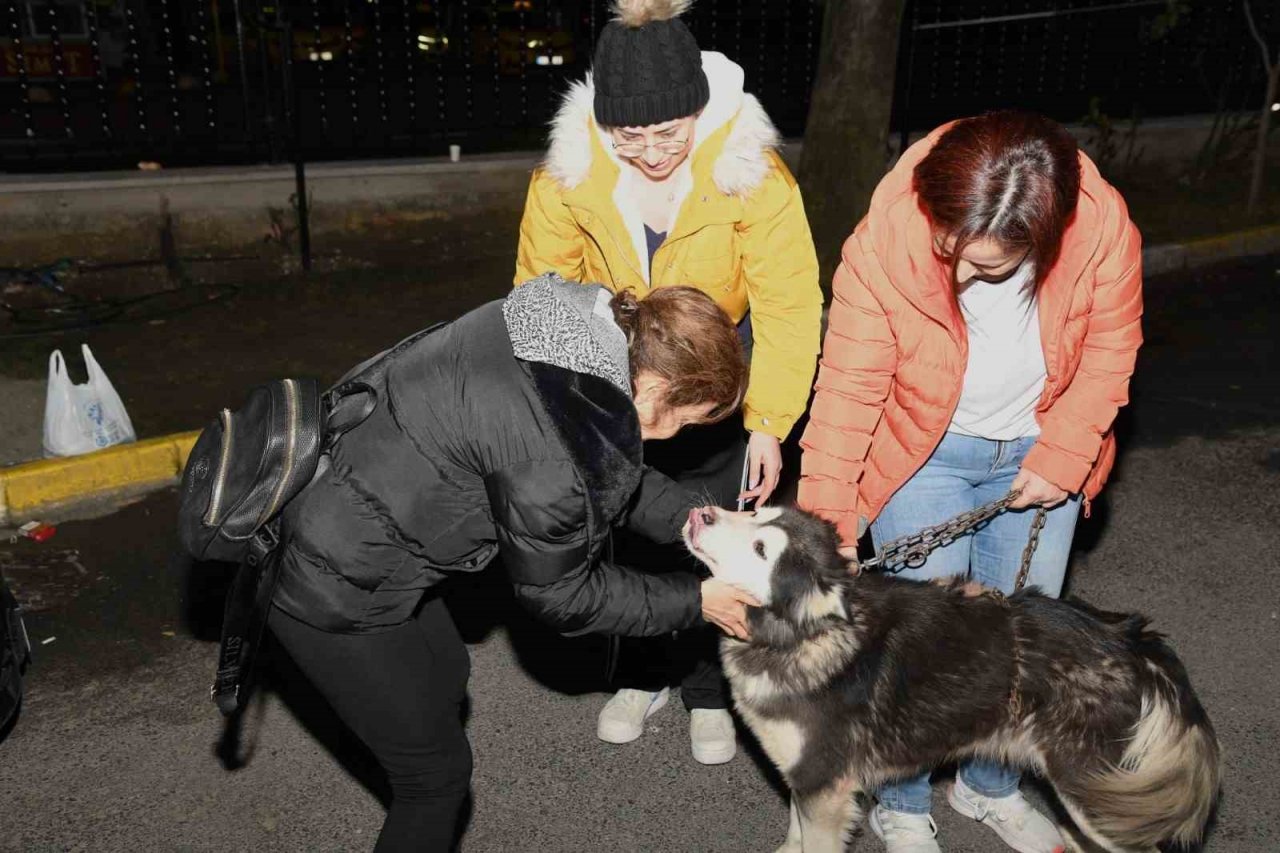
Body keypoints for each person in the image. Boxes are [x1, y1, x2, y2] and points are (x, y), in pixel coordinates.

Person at [268, 274, 758, 852]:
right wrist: (697, 600)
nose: (678, 435)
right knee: (435, 779)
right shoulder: (555, 449)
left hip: (341, 506)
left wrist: (697, 519)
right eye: (687, 418)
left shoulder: (560, 333)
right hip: (330, 580)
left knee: (444, 675)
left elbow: (608, 471)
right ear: (653, 386)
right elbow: (562, 593)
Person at [798, 111, 1143, 853]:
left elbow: (1112, 349)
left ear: (1043, 239)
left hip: (1040, 445)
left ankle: (992, 786)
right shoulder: (887, 238)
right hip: (923, 452)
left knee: (1021, 633)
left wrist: (1066, 453)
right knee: (921, 644)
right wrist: (828, 525)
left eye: (987, 268)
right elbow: (848, 389)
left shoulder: (1101, 228)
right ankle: (902, 800)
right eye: (948, 251)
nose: (956, 276)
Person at [515, 0, 821, 765]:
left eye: (668, 130)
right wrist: (576, 409)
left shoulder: (752, 174)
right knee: (628, 517)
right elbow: (543, 292)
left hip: (720, 364)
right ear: (603, 122)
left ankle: (709, 690)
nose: (650, 151)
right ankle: (643, 670)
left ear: (699, 110)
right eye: (630, 133)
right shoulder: (569, 173)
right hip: (621, 363)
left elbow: (788, 301)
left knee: (713, 523)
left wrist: (767, 421)